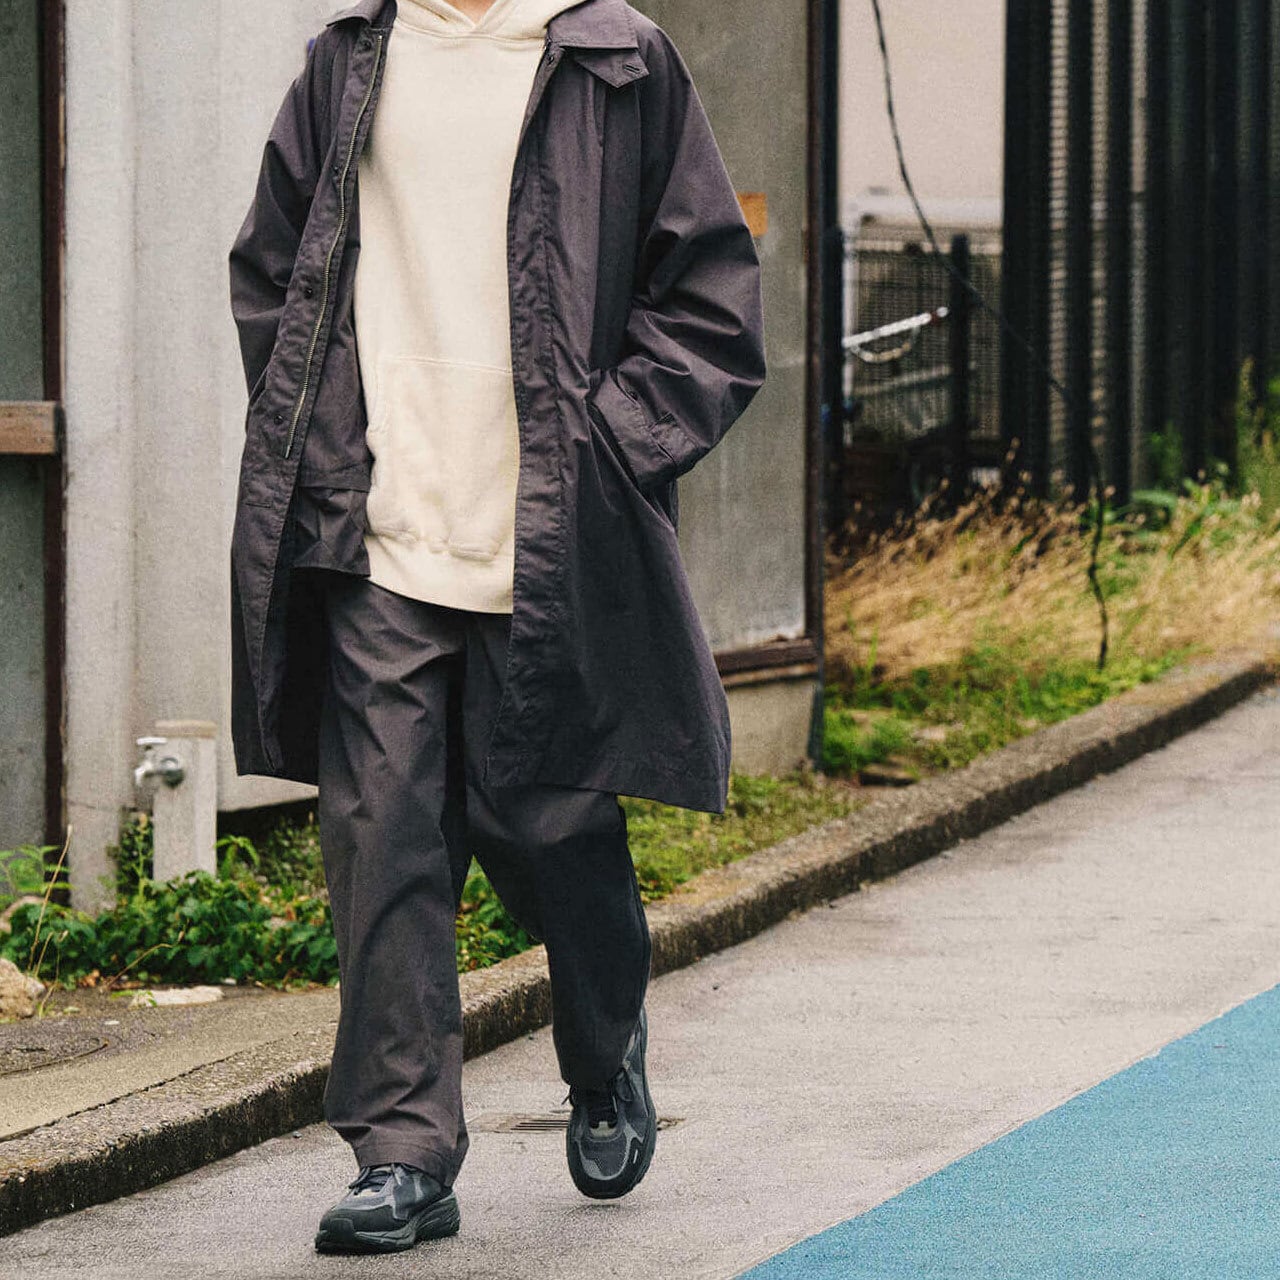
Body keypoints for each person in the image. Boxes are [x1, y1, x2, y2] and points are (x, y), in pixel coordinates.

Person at [228, 0, 765, 1256]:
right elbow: (273, 273)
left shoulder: (614, 61)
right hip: (379, 528)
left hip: (550, 533)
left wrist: (611, 444)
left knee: (550, 819)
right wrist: (320, 441)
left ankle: (604, 1043)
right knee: (383, 831)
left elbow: (709, 298)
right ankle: (403, 1149)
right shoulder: (349, 59)